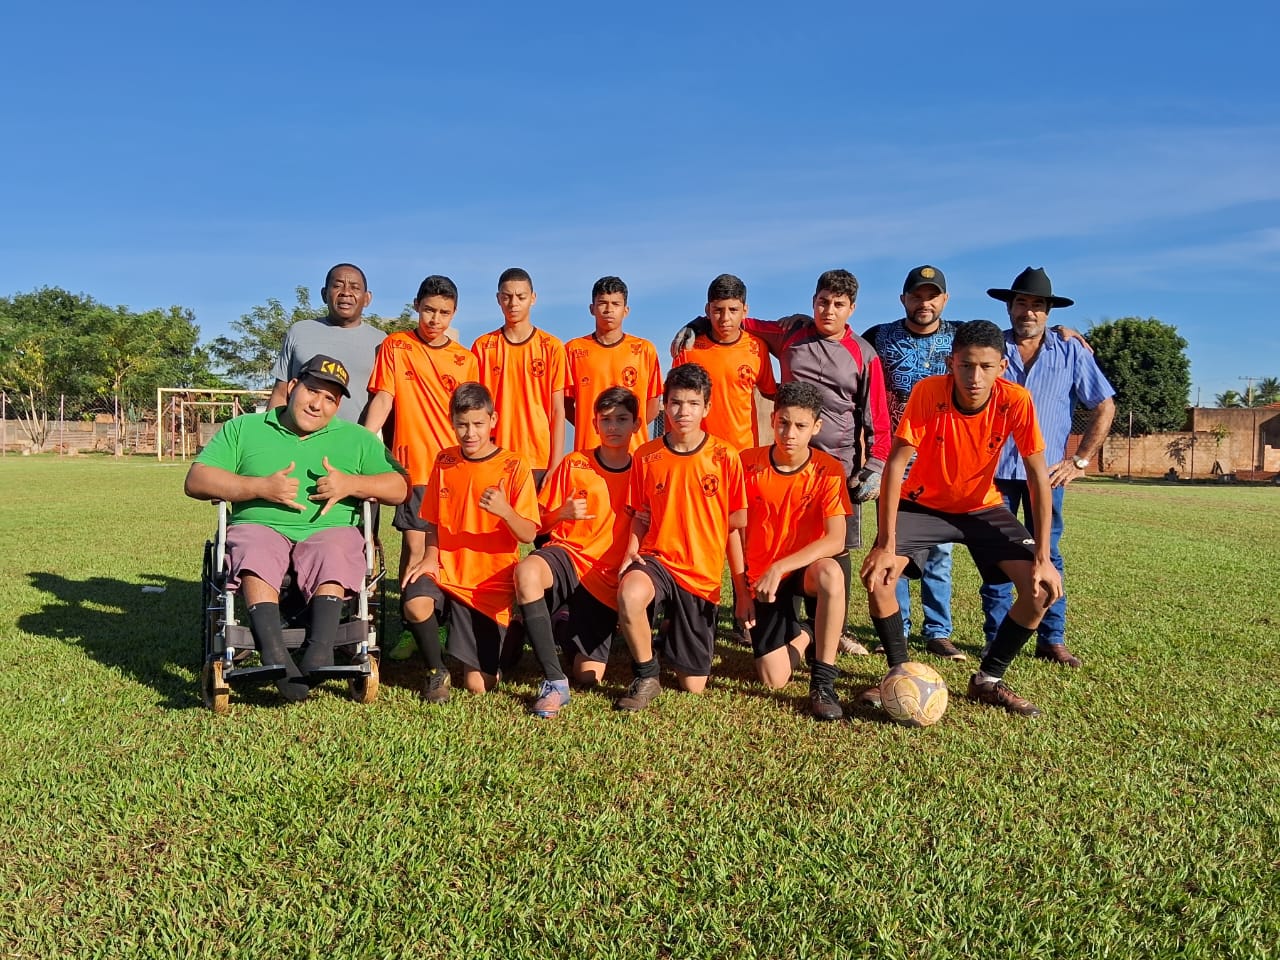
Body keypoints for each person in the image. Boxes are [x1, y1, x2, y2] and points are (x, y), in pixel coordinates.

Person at [675, 270, 890, 652]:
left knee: (832, 550)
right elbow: (739, 321)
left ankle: (831, 631)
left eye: (839, 304)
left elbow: (877, 415)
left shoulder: (863, 353)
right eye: (823, 301)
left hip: (835, 464)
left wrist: (875, 464)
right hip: (778, 461)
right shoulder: (790, 334)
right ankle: (783, 623)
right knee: (778, 540)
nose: (829, 310)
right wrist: (694, 323)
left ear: (851, 309)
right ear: (813, 301)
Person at [860, 320, 1062, 717]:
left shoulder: (1016, 400)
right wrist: (885, 543)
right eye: (966, 366)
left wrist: (1042, 557)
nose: (975, 376)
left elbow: (1038, 477)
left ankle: (988, 680)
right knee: (880, 577)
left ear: (1001, 368)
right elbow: (896, 464)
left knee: (1041, 592)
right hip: (923, 504)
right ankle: (899, 674)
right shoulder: (928, 392)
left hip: (982, 507)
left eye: (986, 367)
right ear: (951, 363)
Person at [184, 355, 409, 702]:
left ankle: (319, 653)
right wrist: (259, 488)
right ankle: (275, 655)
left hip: (327, 532)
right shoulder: (244, 429)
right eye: (312, 391)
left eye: (330, 399)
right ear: (292, 388)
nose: (318, 405)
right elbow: (197, 479)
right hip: (261, 526)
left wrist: (349, 483)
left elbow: (398, 488)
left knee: (336, 545)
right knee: (255, 543)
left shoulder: (357, 439)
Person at [980, 267, 1116, 668]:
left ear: (1048, 312)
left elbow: (1104, 405)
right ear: (1009, 307)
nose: (1028, 312)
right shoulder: (992, 348)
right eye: (1021, 303)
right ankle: (996, 638)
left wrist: (1079, 460)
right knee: (997, 557)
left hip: (1046, 475)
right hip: (993, 472)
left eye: (1037, 305)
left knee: (1049, 553)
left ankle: (1051, 638)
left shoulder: (1070, 350)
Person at [614, 363, 747, 711]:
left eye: (692, 403)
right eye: (675, 402)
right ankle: (647, 674)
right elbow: (640, 515)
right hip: (657, 559)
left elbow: (735, 522)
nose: (682, 411)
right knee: (630, 594)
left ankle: (671, 631)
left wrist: (741, 588)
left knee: (693, 686)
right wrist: (631, 550)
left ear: (707, 408)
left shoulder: (725, 456)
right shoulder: (647, 455)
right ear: (664, 406)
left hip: (700, 576)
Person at [362, 275, 479, 659]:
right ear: (416, 305)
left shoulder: (466, 359)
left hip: (456, 471)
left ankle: (446, 624)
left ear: (454, 313)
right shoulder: (397, 345)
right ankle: (413, 627)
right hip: (414, 470)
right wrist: (360, 445)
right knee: (415, 549)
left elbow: (474, 418)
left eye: (444, 312)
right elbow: (383, 399)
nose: (435, 318)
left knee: (450, 550)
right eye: (429, 309)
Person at [400, 382, 540, 701]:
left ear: (493, 420)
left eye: (478, 423)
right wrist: (430, 556)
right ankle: (437, 672)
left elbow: (529, 535)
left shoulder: (514, 464)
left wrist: (505, 511)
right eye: (462, 424)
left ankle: (513, 634)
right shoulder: (444, 461)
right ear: (451, 421)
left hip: (488, 583)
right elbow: (433, 520)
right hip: (447, 569)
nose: (470, 433)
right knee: (415, 602)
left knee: (479, 685)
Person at [513, 387, 640, 718]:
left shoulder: (643, 472)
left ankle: (559, 623)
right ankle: (554, 682)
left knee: (588, 676)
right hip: (567, 557)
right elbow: (536, 525)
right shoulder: (574, 463)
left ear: (637, 425)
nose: (613, 427)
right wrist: (561, 514)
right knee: (527, 572)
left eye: (622, 419)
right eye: (606, 420)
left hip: (606, 579)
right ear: (595, 424)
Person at [862, 266, 965, 660]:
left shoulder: (959, 337)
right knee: (894, 541)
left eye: (932, 296)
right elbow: (838, 340)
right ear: (903, 299)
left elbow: (1006, 341)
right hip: (895, 460)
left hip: (943, 459)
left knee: (940, 550)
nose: (925, 303)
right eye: (917, 296)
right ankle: (897, 625)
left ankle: (938, 630)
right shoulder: (879, 337)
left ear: (944, 300)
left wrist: (1063, 332)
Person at [730, 381, 850, 720]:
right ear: (773, 420)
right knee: (773, 678)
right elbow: (733, 532)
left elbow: (836, 539)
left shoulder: (828, 469)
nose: (790, 433)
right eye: (783, 422)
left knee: (830, 572)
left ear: (816, 427)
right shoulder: (746, 464)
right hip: (763, 576)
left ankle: (823, 681)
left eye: (800, 425)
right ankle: (807, 634)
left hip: (804, 569)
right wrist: (742, 593)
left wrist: (781, 566)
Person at [471, 267, 568, 486]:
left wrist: (556, 463)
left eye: (521, 297)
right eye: (507, 297)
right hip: (494, 454)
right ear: (498, 299)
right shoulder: (483, 347)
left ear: (532, 298)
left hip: (538, 459)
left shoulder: (551, 347)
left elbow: (557, 409)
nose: (513, 303)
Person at [670, 274, 777, 451]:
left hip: (742, 452)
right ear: (707, 310)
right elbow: (673, 400)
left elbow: (770, 391)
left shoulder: (757, 348)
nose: (725, 318)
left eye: (733, 310)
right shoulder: (688, 348)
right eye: (718, 310)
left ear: (745, 310)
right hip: (697, 452)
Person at [268, 264, 386, 422]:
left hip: (353, 442)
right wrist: (270, 436)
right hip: (298, 440)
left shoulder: (381, 341)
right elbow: (280, 393)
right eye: (337, 286)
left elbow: (384, 401)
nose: (346, 293)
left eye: (355, 288)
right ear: (324, 294)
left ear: (367, 298)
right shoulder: (299, 331)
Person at [564, 277, 662, 453]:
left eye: (615, 304)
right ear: (592, 309)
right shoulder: (573, 350)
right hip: (589, 451)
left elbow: (653, 405)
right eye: (602, 303)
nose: (609, 309)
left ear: (626, 310)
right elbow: (564, 403)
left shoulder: (644, 350)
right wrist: (590, 424)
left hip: (632, 452)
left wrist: (624, 427)